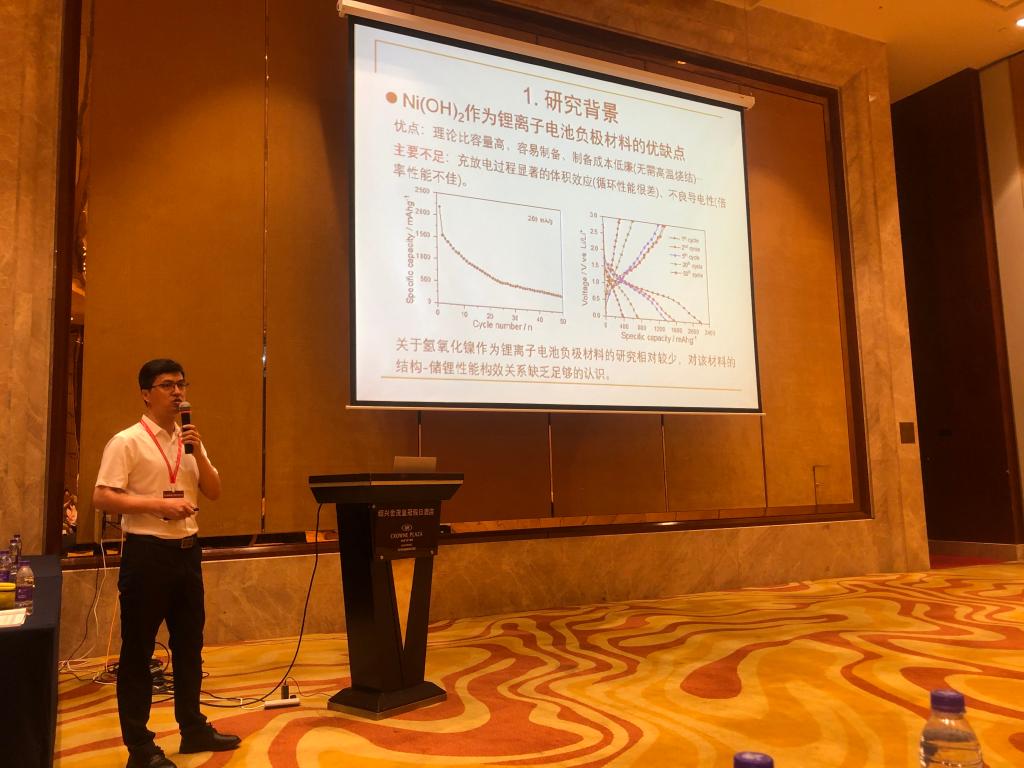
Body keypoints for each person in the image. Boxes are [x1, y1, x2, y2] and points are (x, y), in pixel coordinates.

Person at [94, 359, 240, 768]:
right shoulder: (127, 441)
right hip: (147, 555)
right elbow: (102, 496)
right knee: (138, 650)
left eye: (181, 384)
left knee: (189, 645)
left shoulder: (189, 440)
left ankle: (193, 728)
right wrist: (156, 505)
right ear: (146, 394)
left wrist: (199, 454)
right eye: (167, 385)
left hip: (187, 553)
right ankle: (140, 748)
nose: (178, 392)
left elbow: (213, 491)